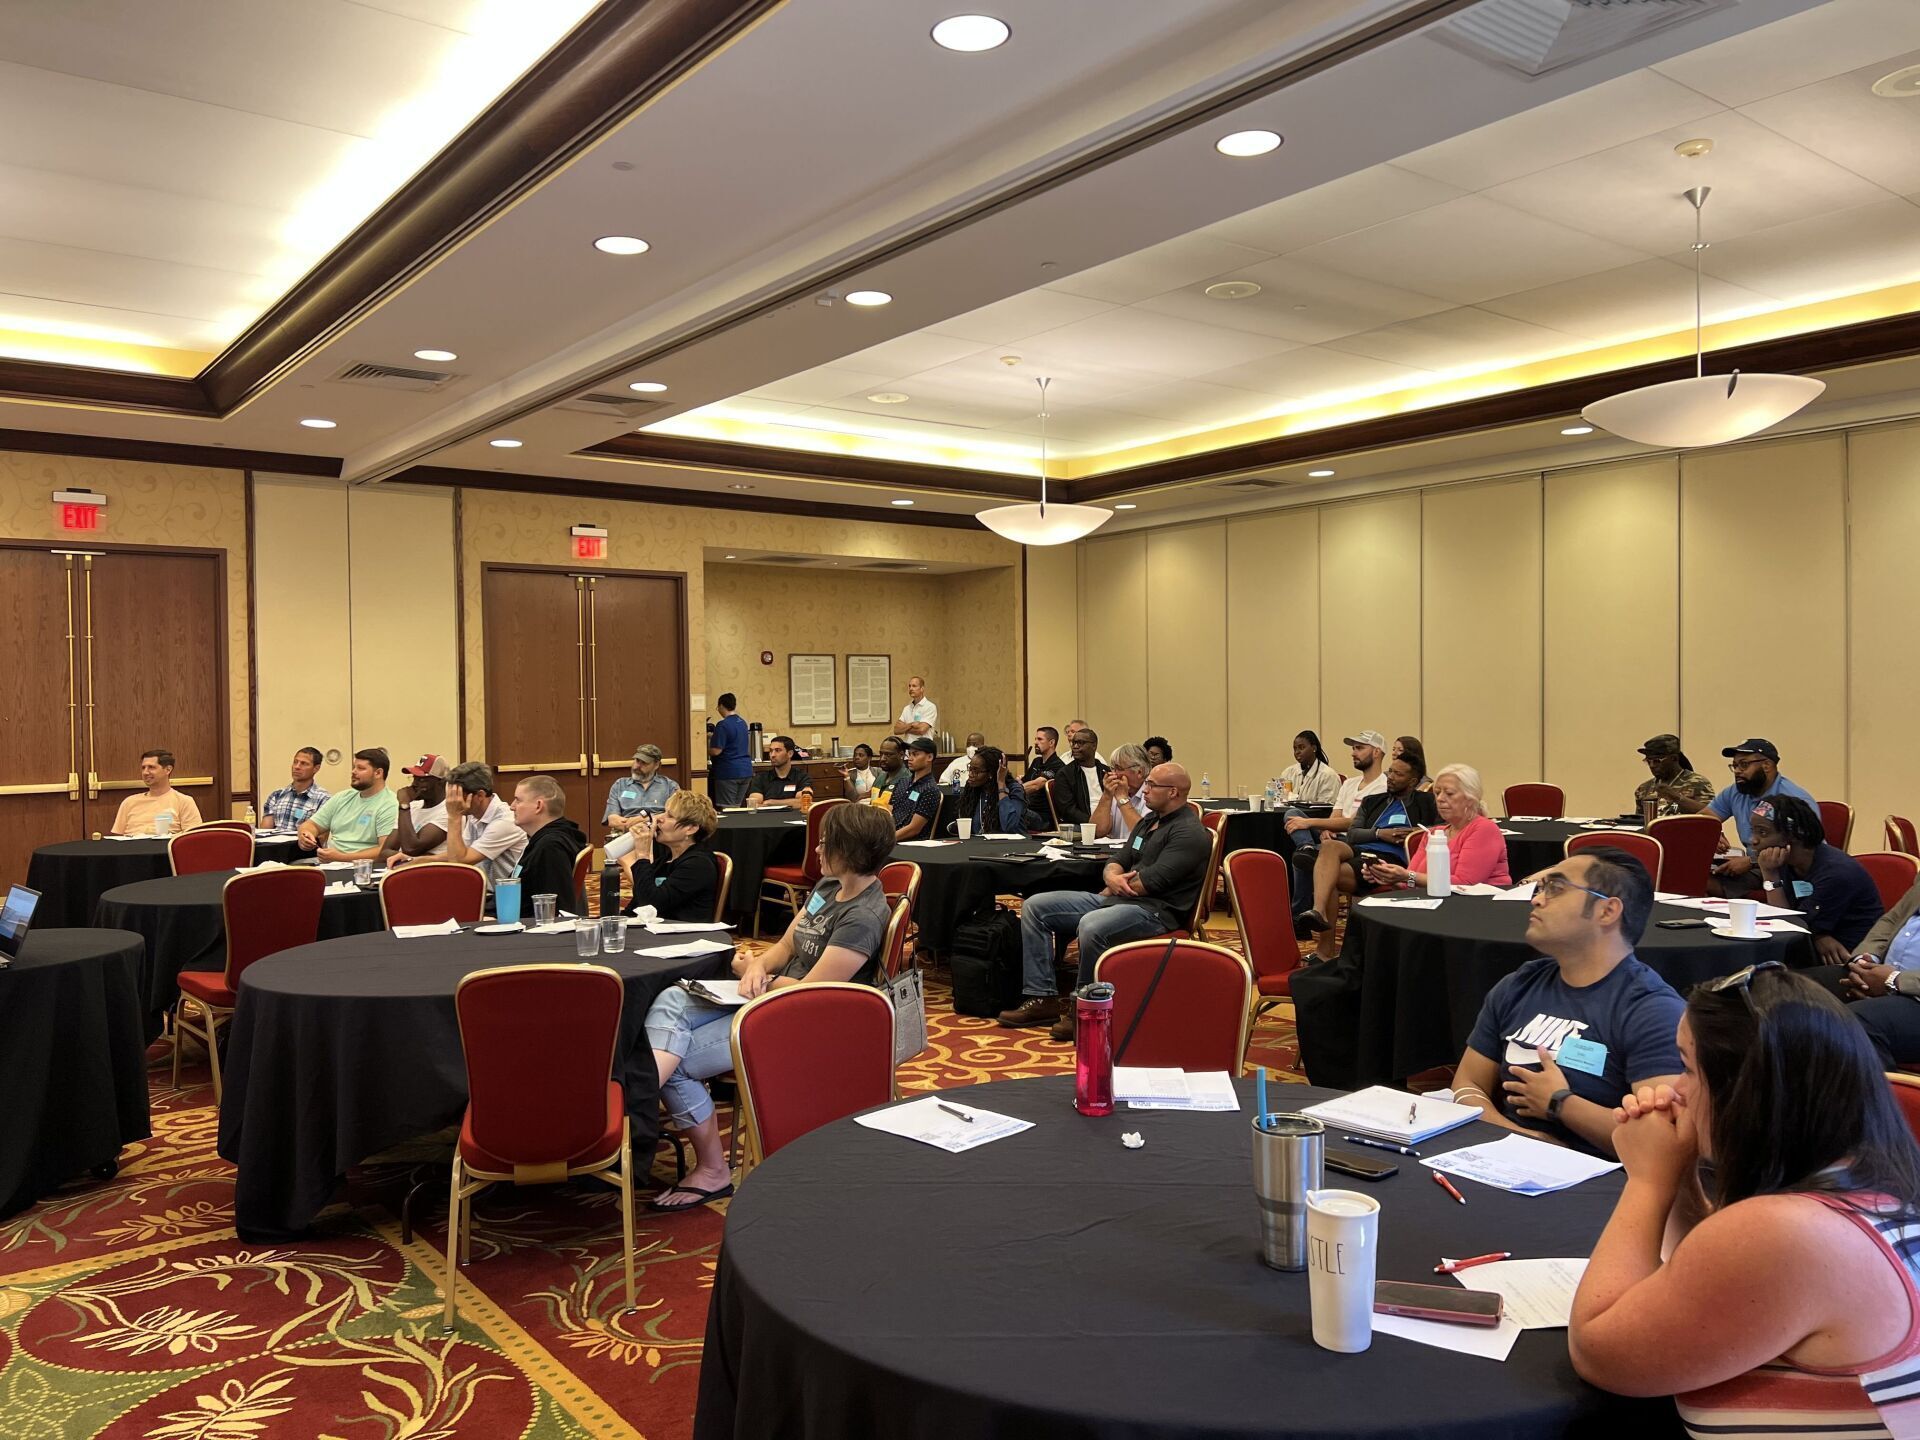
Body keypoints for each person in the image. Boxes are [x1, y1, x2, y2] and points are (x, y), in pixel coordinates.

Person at [1568, 965, 1920, 1438]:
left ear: (1744, 1091)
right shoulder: (1871, 1182)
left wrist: (1648, 1182)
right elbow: (1714, 1282)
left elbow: (1599, 1354)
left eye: (1689, 1068)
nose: (1677, 1090)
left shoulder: (1790, 1232)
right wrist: (1679, 1178)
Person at [644, 803, 896, 1211]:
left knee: (681, 1064)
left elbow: (812, 995)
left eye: (826, 843)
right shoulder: (828, 889)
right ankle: (643, 1090)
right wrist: (757, 965)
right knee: (673, 996)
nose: (816, 849)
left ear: (848, 850)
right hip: (768, 996)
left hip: (798, 1020)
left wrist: (757, 978)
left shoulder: (862, 916)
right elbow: (785, 947)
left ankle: (710, 1168)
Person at [1448, 848, 1684, 1157]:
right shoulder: (1519, 984)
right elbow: (1467, 1084)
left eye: (1556, 889)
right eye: (1540, 888)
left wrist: (1561, 1103)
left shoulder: (1652, 1009)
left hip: (1600, 1182)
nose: (1536, 899)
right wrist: (1515, 1136)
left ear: (1608, 911)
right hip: (1502, 1158)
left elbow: (1663, 1142)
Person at [1001, 763, 1212, 1040]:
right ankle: (1042, 998)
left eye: (1151, 785)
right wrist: (1112, 875)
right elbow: (1120, 859)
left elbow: (1152, 882)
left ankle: (1085, 1009)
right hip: (1119, 900)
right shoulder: (1150, 821)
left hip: (1156, 912)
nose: (1144, 789)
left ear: (1173, 792)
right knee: (1036, 906)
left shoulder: (1189, 833)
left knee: (1092, 924)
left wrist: (1117, 884)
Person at [1300, 754, 1438, 958]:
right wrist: (1380, 833)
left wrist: (1413, 833)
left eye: (1398, 774)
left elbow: (1442, 828)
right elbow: (1354, 833)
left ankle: (1324, 951)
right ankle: (1318, 911)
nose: (1390, 777)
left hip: (1390, 858)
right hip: (1361, 847)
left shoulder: (1426, 802)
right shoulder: (1373, 801)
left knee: (1328, 877)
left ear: (1413, 781)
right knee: (1329, 846)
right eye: (1390, 771)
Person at [1745, 794, 1882, 964]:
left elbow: (1786, 926)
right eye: (1753, 831)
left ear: (1793, 834)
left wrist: (1769, 874)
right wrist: (1817, 935)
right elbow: (1791, 924)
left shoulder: (1836, 873)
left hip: (1851, 961)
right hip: (1808, 950)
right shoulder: (1786, 860)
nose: (1753, 840)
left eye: (1763, 832)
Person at [1678, 738, 1817, 893]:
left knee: (1701, 883)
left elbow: (1805, 850)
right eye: (1735, 765)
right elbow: (1700, 821)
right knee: (1686, 873)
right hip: (1757, 864)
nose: (1737, 771)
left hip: (1786, 868)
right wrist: (1713, 832)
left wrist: (1752, 861)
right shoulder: (1736, 792)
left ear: (1767, 765)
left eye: (1744, 765)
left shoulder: (1793, 800)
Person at [1362, 763, 1512, 892]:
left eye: (1449, 793)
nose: (1440, 799)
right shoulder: (1433, 833)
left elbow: (1466, 884)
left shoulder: (1484, 829)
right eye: (1437, 793)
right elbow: (1411, 883)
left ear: (1470, 798)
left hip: (1477, 908)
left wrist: (1407, 876)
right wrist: (1388, 875)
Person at [1284, 730, 1388, 862]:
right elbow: (1336, 814)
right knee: (1292, 814)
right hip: (1334, 835)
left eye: (1359, 748)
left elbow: (1354, 823)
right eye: (1353, 748)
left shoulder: (1383, 787)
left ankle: (1309, 853)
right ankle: (1307, 848)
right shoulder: (1349, 783)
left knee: (1300, 856)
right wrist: (1327, 828)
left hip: (1353, 840)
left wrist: (1308, 822)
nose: (1353, 753)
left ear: (1376, 752)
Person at [619, 789, 722, 921]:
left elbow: (650, 904)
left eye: (670, 816)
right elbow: (637, 903)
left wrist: (642, 855)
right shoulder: (666, 860)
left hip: (683, 935)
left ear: (690, 829)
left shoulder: (699, 864)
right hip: (657, 931)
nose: (659, 818)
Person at [297, 748, 397, 862]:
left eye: (361, 768)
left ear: (378, 773)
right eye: (354, 767)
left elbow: (384, 850)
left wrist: (341, 858)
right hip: (328, 861)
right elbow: (311, 825)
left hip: (362, 867)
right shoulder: (343, 797)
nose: (353, 772)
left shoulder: (389, 804)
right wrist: (306, 835)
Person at [439, 761, 527, 887]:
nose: (452, 802)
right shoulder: (474, 814)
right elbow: (459, 852)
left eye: (458, 797)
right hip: (487, 895)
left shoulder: (505, 821)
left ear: (480, 795)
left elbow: (459, 861)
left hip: (507, 896)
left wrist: (454, 816)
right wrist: (418, 861)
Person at [509, 775, 589, 909]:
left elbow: (552, 911)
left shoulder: (550, 847)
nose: (512, 806)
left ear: (538, 806)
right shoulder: (545, 840)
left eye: (518, 800)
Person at [110, 748, 205, 835]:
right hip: (131, 851)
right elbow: (117, 837)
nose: (145, 772)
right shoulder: (129, 802)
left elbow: (192, 838)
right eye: (143, 768)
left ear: (168, 770)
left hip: (164, 852)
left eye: (151, 767)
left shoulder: (184, 801)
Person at [381, 754, 450, 862]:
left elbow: (411, 848)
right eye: (414, 778)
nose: (414, 784)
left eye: (422, 780)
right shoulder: (412, 807)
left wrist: (404, 805)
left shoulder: (448, 811)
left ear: (441, 782)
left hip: (432, 873)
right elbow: (384, 852)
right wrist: (414, 857)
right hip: (403, 869)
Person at [1632, 734, 1715, 819]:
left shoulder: (1697, 782)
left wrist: (1675, 797)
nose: (1652, 765)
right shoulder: (1643, 789)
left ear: (1674, 758)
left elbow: (1711, 815)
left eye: (1657, 761)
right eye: (1648, 761)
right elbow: (1639, 822)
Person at [948, 746, 1025, 835]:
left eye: (976, 771)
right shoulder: (974, 791)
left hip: (1013, 845)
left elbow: (1008, 825)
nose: (970, 774)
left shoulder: (1014, 790)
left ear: (991, 773)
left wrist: (1001, 784)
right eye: (970, 768)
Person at [605, 745, 678, 831]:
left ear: (656, 765)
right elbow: (612, 819)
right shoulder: (620, 785)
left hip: (659, 833)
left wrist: (644, 819)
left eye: (644, 763)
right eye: (637, 760)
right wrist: (635, 827)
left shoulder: (670, 786)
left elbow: (675, 815)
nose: (638, 766)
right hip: (627, 832)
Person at [260, 747, 329, 835]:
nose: (297, 767)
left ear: (316, 768)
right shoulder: (277, 795)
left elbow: (322, 836)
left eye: (304, 764)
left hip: (303, 846)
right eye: (295, 762)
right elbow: (265, 831)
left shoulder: (323, 799)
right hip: (275, 846)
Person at [1050, 726, 1109, 827]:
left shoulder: (1105, 771)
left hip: (1109, 820)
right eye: (1074, 743)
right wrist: (1093, 823)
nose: (1075, 746)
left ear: (1094, 746)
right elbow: (1068, 810)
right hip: (1081, 825)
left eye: (1080, 743)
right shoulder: (1065, 774)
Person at [1093, 744, 1150, 841]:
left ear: (1139, 772)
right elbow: (1098, 831)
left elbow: (1142, 834)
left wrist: (1123, 799)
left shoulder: (1152, 793)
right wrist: (1107, 796)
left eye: (1119, 769)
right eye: (1112, 768)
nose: (1114, 774)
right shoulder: (1116, 791)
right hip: (1115, 853)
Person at [889, 737, 942, 841]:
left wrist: (886, 840)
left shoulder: (930, 789)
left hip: (911, 843)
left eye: (915, 754)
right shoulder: (902, 782)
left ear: (929, 757)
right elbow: (889, 812)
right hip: (891, 835)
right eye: (909, 754)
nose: (910, 758)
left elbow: (914, 829)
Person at [708, 694, 752, 807]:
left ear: (721, 706)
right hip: (745, 771)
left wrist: (704, 748)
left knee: (727, 809)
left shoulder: (723, 725)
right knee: (737, 808)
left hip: (728, 772)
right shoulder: (742, 722)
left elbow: (716, 751)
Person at [1020, 726, 1069, 829]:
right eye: (1035, 739)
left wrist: (1010, 791)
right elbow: (1023, 782)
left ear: (1051, 743)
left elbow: (1035, 785)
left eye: (1040, 739)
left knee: (1012, 810)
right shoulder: (1036, 762)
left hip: (1043, 818)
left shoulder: (1058, 766)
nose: (1035, 742)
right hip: (1028, 810)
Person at [747, 736, 813, 809]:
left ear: (790, 754)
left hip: (793, 818)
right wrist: (791, 803)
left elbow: (802, 802)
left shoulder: (802, 777)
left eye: (777, 750)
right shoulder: (760, 778)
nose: (772, 755)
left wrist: (770, 803)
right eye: (771, 751)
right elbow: (754, 804)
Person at [1277, 731, 1340, 807]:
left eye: (1301, 747)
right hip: (1287, 815)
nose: (1297, 752)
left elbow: (1326, 809)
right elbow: (1279, 800)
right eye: (1295, 748)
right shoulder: (1288, 772)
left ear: (1314, 748)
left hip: (1315, 817)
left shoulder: (1328, 775)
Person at [868, 737, 908, 807]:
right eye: (881, 754)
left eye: (888, 755)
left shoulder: (907, 779)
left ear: (901, 755)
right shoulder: (881, 776)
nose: (882, 758)